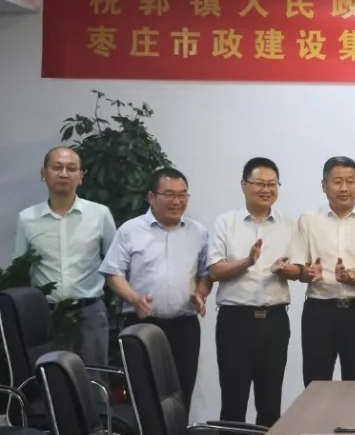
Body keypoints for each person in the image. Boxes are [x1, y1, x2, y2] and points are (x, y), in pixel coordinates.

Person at [208, 158, 297, 435]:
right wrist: (247, 262)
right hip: (235, 322)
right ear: (244, 185)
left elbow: (299, 269)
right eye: (259, 183)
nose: (266, 189)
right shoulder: (225, 223)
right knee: (233, 401)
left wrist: (289, 269)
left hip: (274, 321)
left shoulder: (288, 225)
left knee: (270, 402)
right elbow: (215, 270)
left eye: (272, 184)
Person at [100, 167, 210, 412]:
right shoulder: (130, 230)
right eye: (169, 194)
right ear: (151, 197)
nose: (177, 201)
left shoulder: (198, 232)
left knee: (182, 391)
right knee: (142, 394)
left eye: (182, 195)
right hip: (142, 324)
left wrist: (201, 293)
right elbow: (112, 273)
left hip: (184, 326)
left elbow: (206, 273)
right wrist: (133, 298)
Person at [15, 147, 115, 370]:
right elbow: (20, 270)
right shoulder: (27, 219)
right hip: (45, 315)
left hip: (89, 313)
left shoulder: (100, 215)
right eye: (57, 167)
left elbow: (114, 265)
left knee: (93, 378)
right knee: (49, 377)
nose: (64, 174)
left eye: (71, 168)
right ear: (44, 174)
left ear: (81, 176)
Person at [293, 156, 355, 385]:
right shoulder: (308, 220)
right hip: (319, 311)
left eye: (350, 181)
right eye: (337, 182)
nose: (344, 188)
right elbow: (299, 268)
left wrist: (351, 276)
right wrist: (307, 273)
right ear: (324, 185)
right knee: (316, 383)